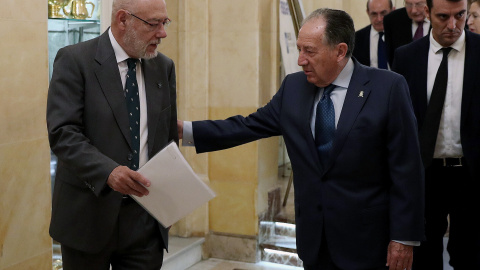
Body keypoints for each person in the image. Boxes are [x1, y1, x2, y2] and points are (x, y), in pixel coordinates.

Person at [179, 8, 424, 270]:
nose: (300, 60)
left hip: (367, 243)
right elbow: (247, 126)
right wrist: (185, 130)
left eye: (309, 51)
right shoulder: (293, 88)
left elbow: (406, 169)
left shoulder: (387, 88)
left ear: (340, 51)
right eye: (298, 49)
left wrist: (403, 237)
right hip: (314, 242)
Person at [46, 0, 177, 268]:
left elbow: (166, 140)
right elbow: (63, 133)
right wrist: (109, 172)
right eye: (153, 24)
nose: (162, 33)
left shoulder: (163, 67)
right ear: (122, 20)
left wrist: (170, 199)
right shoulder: (75, 60)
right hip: (88, 216)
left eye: (165, 23)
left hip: (145, 221)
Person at [392, 0, 480, 268]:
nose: (453, 25)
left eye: (460, 15)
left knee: (470, 256)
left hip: (471, 174)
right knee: (424, 256)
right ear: (427, 12)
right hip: (425, 174)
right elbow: (399, 122)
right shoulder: (407, 57)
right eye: (443, 17)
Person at [383, 0, 430, 65]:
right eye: (409, 4)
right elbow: (392, 58)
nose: (413, 10)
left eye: (419, 4)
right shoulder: (392, 20)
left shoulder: (441, 17)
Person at [353, 0, 395, 68]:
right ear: (368, 12)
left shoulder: (401, 35)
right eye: (374, 14)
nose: (379, 19)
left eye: (383, 13)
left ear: (393, 10)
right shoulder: (356, 39)